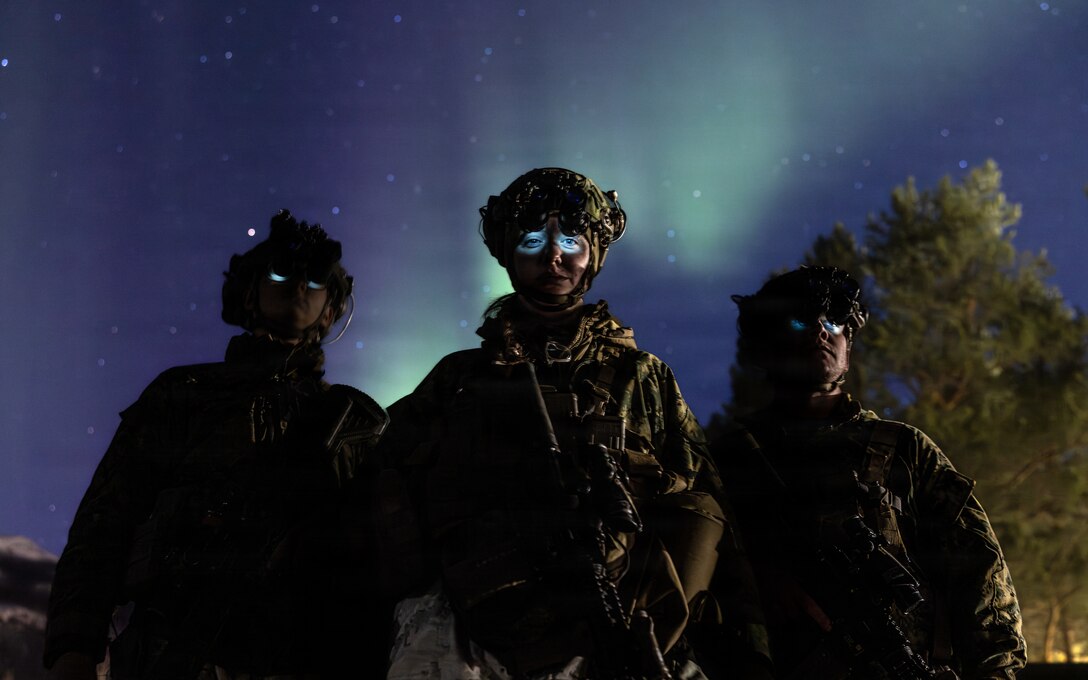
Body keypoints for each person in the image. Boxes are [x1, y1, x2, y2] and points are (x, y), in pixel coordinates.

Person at [378, 167, 770, 680]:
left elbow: (709, 512)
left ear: (595, 255)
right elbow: (383, 493)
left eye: (571, 240)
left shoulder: (641, 377)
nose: (553, 256)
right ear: (508, 252)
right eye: (534, 239)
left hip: (619, 620)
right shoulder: (460, 378)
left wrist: (750, 649)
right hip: (473, 628)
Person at [43, 210, 389, 679]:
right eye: (282, 273)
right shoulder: (182, 394)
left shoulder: (351, 425)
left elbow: (380, 557)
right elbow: (105, 523)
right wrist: (73, 647)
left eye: (314, 281)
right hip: (174, 647)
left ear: (330, 309)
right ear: (251, 293)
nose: (297, 287)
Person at [710, 265, 1026, 679]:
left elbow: (981, 576)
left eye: (835, 323)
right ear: (767, 342)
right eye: (802, 320)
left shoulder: (903, 451)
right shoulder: (727, 459)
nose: (822, 332)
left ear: (849, 346)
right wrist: (757, 586)